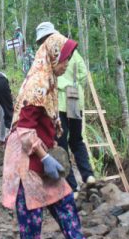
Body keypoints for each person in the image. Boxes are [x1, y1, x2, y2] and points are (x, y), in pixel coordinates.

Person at [2, 32, 91, 239]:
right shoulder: (39, 82)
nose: (66, 64)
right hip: (27, 160)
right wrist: (45, 157)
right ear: (53, 56)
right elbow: (24, 130)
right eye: (65, 59)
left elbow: (46, 118)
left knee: (65, 203)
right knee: (31, 218)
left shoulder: (49, 79)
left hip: (41, 156)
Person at [36, 21, 96, 199]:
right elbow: (84, 74)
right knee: (77, 140)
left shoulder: (49, 53)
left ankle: (72, 186)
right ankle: (89, 175)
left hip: (59, 101)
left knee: (61, 143)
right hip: (75, 98)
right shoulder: (73, 51)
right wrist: (74, 88)